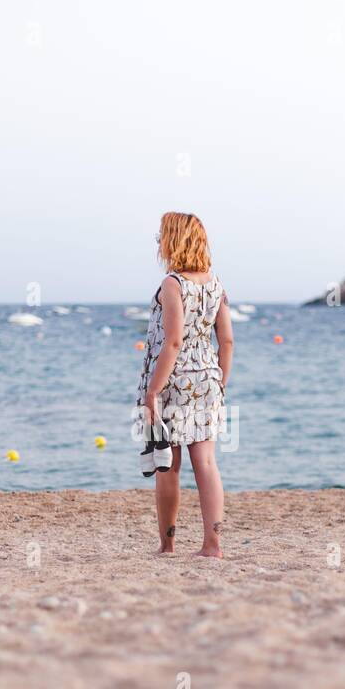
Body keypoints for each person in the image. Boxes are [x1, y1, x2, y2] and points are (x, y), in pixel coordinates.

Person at [135, 212, 234, 558]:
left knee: (168, 465)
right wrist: (220, 382)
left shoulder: (173, 283)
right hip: (208, 379)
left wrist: (152, 392)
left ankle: (168, 544)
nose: (157, 242)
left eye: (161, 235)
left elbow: (172, 342)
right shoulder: (216, 284)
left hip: (173, 382)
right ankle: (213, 544)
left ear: (173, 240)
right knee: (206, 463)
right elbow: (227, 342)